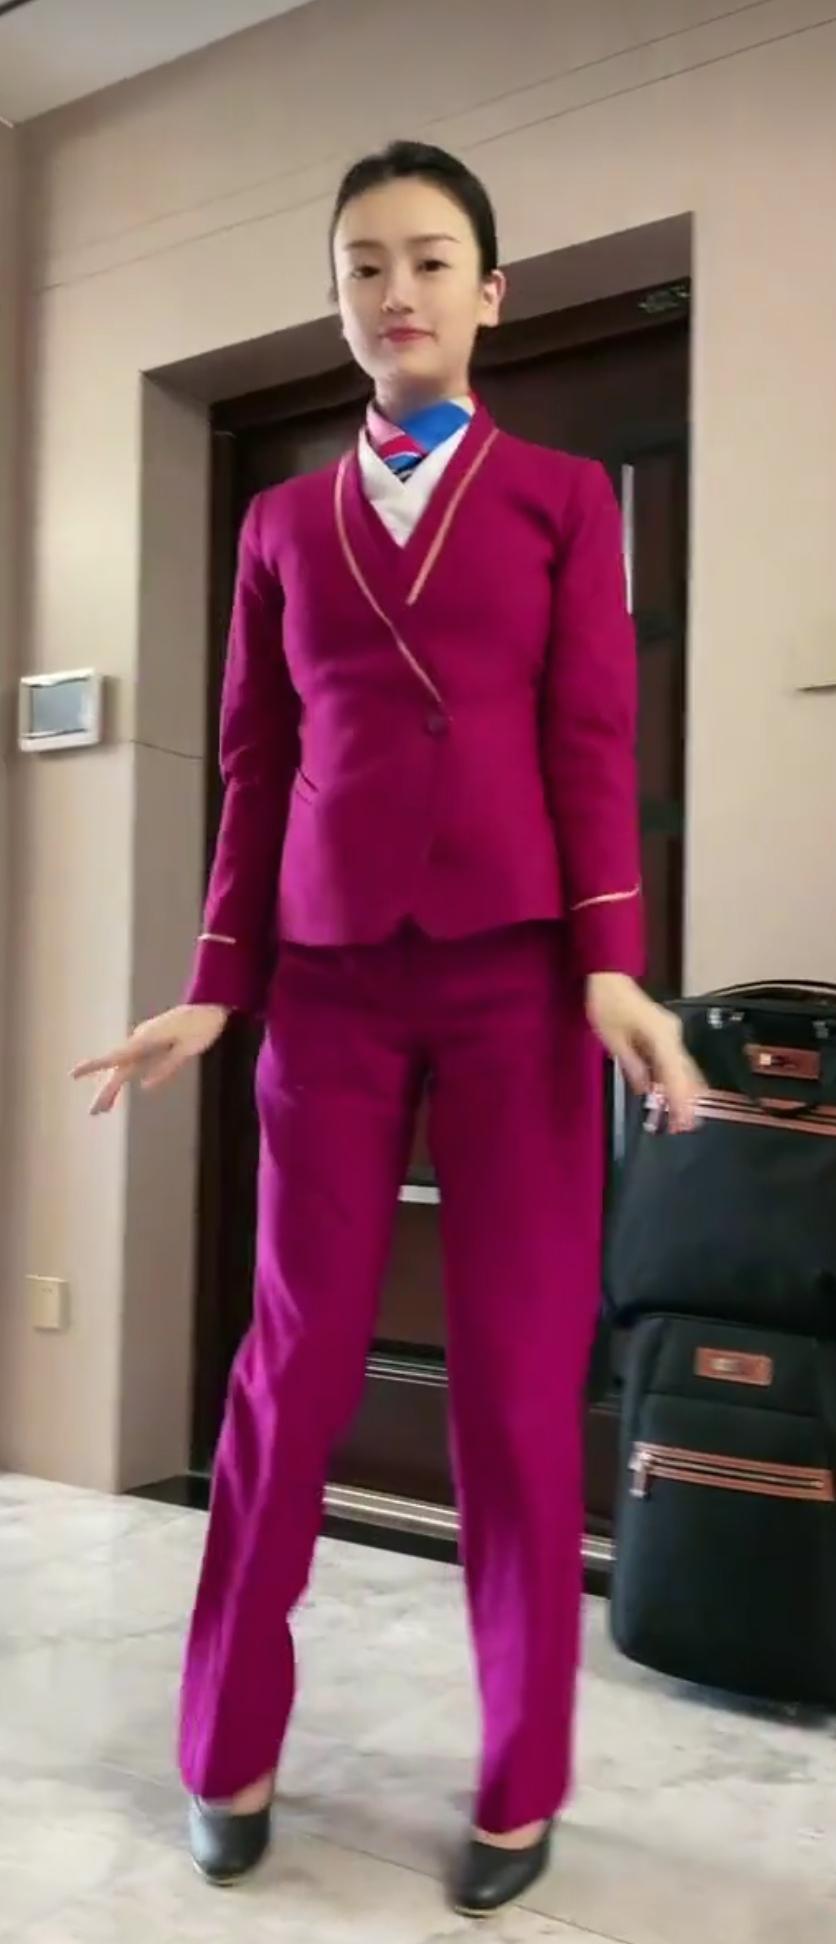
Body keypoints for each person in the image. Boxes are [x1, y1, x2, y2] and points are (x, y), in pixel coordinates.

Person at [74, 140, 702, 1919]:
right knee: (289, 1370)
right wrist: (218, 980)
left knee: (516, 1384)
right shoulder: (282, 524)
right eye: (365, 266)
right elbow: (253, 764)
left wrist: (614, 963)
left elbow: (594, 738)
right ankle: (226, 1745)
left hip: (519, 983)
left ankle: (521, 1779)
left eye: (430, 260)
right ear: (338, 299)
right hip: (331, 985)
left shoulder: (561, 499)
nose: (397, 291)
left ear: (489, 293)